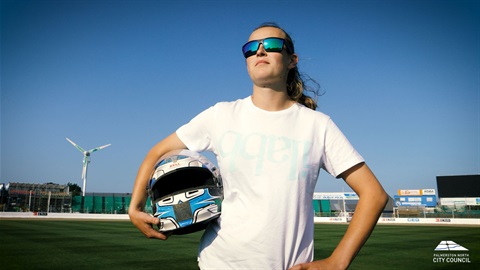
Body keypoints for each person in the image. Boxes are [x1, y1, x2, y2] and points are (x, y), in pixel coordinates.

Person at [129, 22, 388, 270]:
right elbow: (158, 151)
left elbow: (374, 195)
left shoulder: (318, 125)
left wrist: (337, 261)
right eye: (250, 48)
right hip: (220, 263)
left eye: (272, 44)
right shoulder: (221, 115)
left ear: (292, 60)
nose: (260, 51)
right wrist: (135, 206)